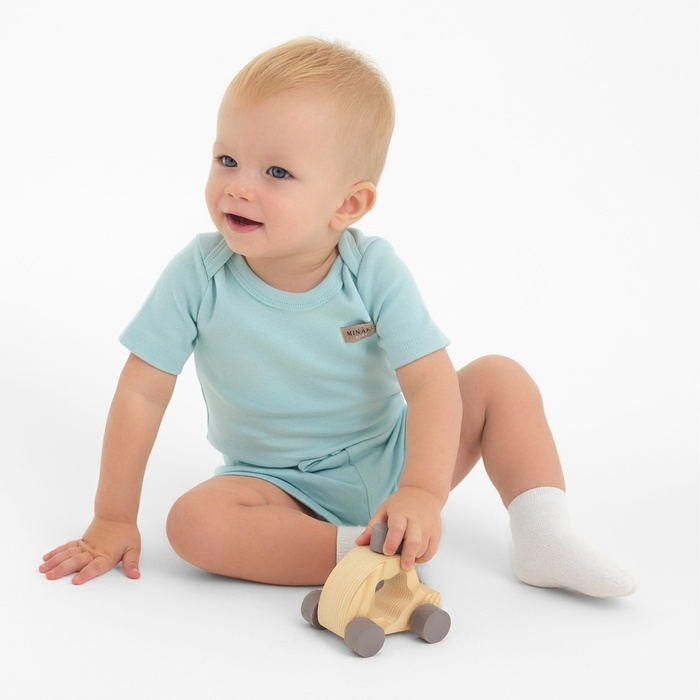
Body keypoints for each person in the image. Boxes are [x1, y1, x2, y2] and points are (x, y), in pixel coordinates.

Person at [39, 37, 635, 598]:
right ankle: (360, 554)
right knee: (194, 524)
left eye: (276, 173)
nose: (238, 188)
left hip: (396, 457)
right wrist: (112, 517)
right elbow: (141, 394)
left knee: (499, 379)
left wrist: (422, 491)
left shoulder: (371, 270)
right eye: (227, 159)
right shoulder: (198, 274)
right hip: (278, 488)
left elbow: (430, 384)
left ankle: (543, 535)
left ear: (348, 204)